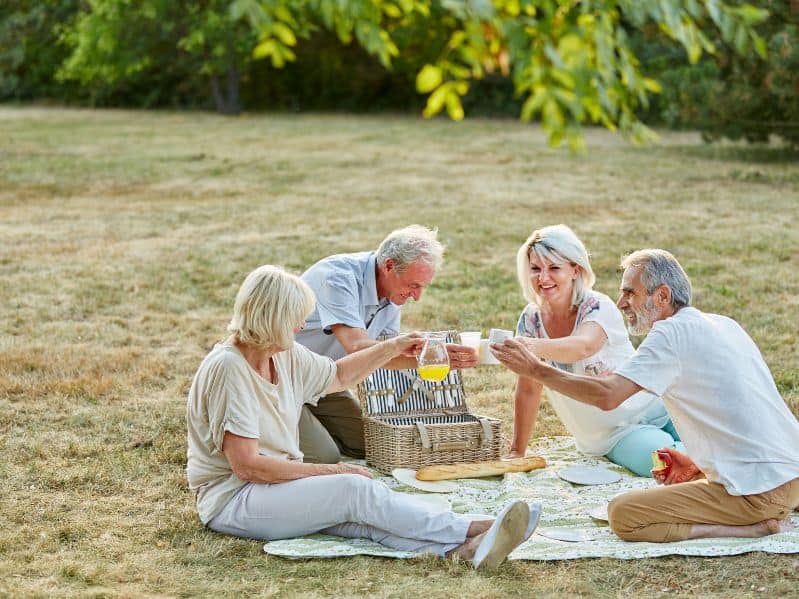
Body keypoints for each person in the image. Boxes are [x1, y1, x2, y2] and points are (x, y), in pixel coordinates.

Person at [186, 265, 539, 569]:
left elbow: (338, 376)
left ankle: (460, 552)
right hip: (234, 499)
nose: (300, 326)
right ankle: (471, 528)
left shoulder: (284, 354)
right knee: (353, 489)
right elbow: (248, 467)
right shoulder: (229, 369)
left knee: (363, 519)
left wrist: (391, 347)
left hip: (273, 487)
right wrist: (333, 470)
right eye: (294, 318)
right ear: (270, 318)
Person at [491, 249, 799, 542]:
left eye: (630, 293)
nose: (621, 303)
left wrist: (535, 369)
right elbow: (739, 414)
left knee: (624, 515)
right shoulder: (723, 324)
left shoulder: (669, 334)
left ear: (662, 295)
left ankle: (756, 528)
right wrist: (697, 464)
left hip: (759, 492)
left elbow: (607, 396)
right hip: (791, 473)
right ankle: (763, 508)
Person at [506, 225, 680, 476]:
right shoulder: (531, 320)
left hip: (657, 405)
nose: (543, 278)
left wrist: (529, 347)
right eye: (535, 269)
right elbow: (529, 389)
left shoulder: (597, 305)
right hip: (613, 433)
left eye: (554, 268)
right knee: (665, 463)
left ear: (575, 269)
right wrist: (516, 451)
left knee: (713, 440)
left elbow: (583, 345)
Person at [295, 225, 478, 463]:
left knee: (373, 443)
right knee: (324, 456)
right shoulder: (338, 279)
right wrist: (405, 345)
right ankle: (272, 430)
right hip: (284, 379)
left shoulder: (392, 293)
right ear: (389, 266)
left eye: (422, 287)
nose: (417, 296)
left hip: (326, 381)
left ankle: (304, 425)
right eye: (414, 285)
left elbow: (382, 356)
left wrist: (437, 358)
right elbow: (358, 347)